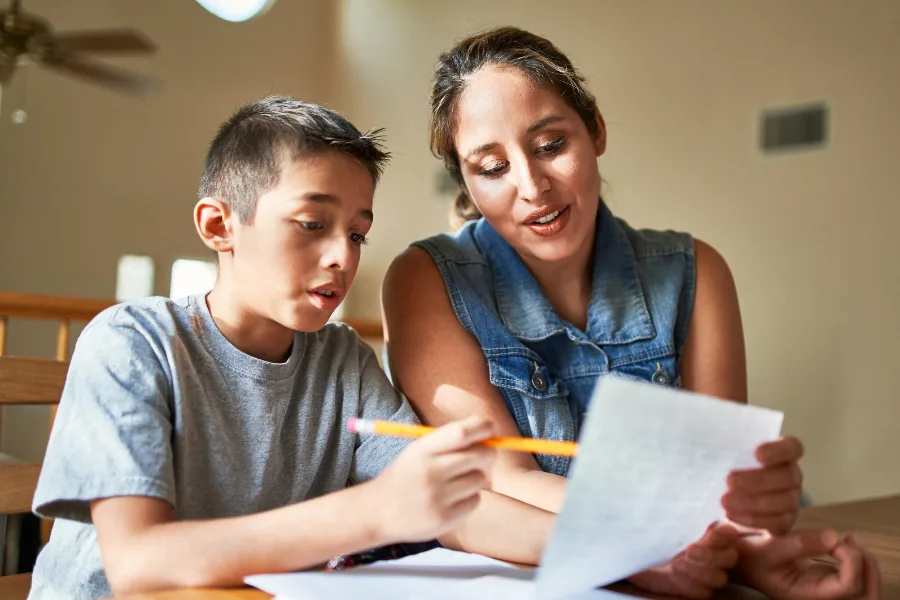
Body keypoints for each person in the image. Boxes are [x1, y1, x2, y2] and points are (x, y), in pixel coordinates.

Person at [382, 27, 882, 599]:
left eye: (549, 146)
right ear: (466, 178)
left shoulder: (697, 271)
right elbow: (499, 478)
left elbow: (723, 490)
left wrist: (753, 547)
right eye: (492, 168)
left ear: (595, 129)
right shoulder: (426, 280)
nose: (532, 186)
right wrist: (656, 543)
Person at [27, 96, 496, 600]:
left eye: (358, 234)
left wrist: (585, 542)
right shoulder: (131, 342)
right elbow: (138, 563)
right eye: (313, 224)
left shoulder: (344, 361)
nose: (343, 255)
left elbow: (458, 508)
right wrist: (373, 512)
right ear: (218, 226)